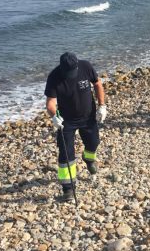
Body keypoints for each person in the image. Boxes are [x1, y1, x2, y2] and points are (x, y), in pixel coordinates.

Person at [45, 52, 107, 202]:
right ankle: (68, 188)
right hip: (66, 121)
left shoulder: (86, 67)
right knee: (66, 154)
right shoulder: (54, 77)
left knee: (93, 143)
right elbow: (51, 102)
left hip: (88, 116)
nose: (70, 75)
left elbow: (97, 84)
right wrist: (54, 116)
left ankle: (88, 158)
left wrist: (102, 106)